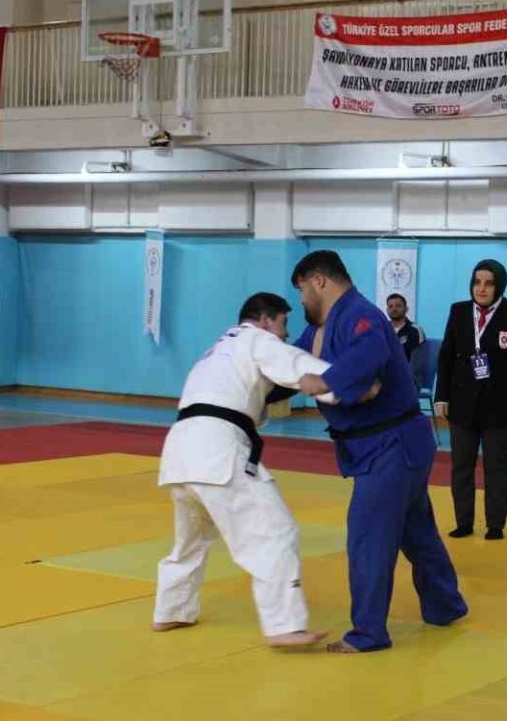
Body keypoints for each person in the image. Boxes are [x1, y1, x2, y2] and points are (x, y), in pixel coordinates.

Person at [290, 250, 468, 653]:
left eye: (302, 291)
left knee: (368, 536)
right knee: (415, 531)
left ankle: (368, 633)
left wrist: (328, 381)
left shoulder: (360, 314)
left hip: (391, 445)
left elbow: (370, 352)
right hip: (390, 446)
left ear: (319, 281)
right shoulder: (320, 327)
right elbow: (293, 365)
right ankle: (445, 604)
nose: (301, 300)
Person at [155, 292, 341, 648]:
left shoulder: (217, 350)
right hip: (217, 450)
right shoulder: (258, 340)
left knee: (190, 540)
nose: (285, 334)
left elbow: (267, 389)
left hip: (179, 451)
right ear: (265, 320)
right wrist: (351, 382)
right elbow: (298, 365)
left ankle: (171, 610)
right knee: (276, 531)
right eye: (283, 324)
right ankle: (284, 625)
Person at [434, 258, 507, 541]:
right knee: (461, 466)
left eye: (489, 283)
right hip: (461, 402)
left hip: (499, 405)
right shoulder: (458, 311)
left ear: (499, 285)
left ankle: (495, 525)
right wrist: (441, 396)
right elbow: (445, 357)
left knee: (496, 466)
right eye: (477, 282)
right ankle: (464, 522)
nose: (481, 288)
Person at [386, 293, 425, 361]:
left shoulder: (415, 330)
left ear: (406, 309)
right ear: (387, 310)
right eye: (390, 306)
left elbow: (418, 359)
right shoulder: (383, 329)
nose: (394, 309)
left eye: (398, 306)